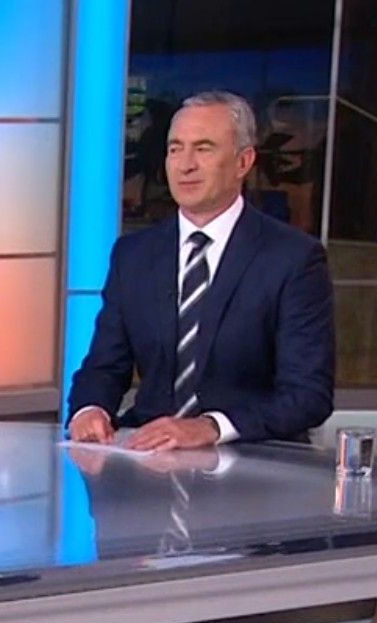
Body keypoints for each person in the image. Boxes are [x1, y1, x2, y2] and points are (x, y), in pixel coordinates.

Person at [67, 91, 335, 451]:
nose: (185, 165)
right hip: (148, 456)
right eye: (175, 149)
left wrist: (211, 427)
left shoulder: (293, 258)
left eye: (203, 149)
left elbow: (308, 395)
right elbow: (104, 367)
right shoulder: (134, 255)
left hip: (248, 458)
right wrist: (89, 409)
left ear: (243, 161)